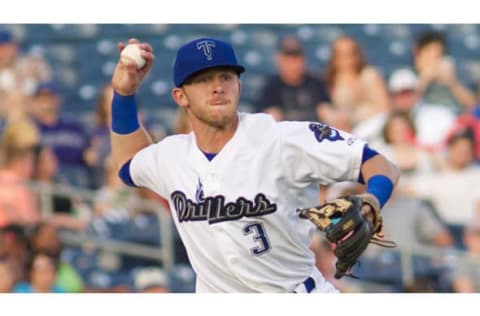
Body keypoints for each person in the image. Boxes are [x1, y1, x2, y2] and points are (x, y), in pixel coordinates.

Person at [109, 37, 399, 293]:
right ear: (180, 96)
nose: (217, 87)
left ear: (238, 85)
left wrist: (372, 200)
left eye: (225, 76)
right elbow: (128, 162)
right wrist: (124, 94)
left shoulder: (282, 138)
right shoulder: (173, 157)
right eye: (202, 80)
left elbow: (377, 162)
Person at [256, 35, 331, 122]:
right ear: (279, 60)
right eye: (288, 60)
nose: (293, 65)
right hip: (284, 133)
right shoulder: (271, 86)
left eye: (296, 59)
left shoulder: (316, 83)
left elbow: (326, 110)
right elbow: (267, 117)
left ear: (304, 60)